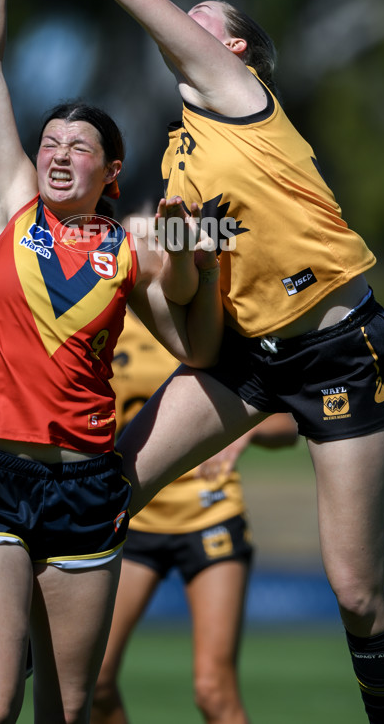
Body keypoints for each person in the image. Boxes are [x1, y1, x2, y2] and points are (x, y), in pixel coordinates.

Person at [37, 0, 384, 723]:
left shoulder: (237, 94)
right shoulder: (175, 166)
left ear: (234, 49)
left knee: (357, 593)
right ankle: (44, 692)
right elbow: (195, 342)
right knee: (97, 498)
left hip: (337, 345)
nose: (191, 20)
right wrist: (165, 265)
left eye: (208, 16)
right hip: (245, 357)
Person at [0, 0, 223, 724]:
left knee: (69, 709)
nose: (57, 154)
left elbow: (198, 348)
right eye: (49, 140)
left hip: (86, 490)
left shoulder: (136, 241)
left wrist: (189, 265)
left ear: (110, 169)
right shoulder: (8, 201)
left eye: (78, 146)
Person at [91, 292, 298, 724]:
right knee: (96, 682)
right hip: (135, 517)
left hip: (210, 514)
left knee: (212, 692)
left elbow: (288, 424)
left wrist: (248, 434)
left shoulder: (207, 324)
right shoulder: (100, 319)